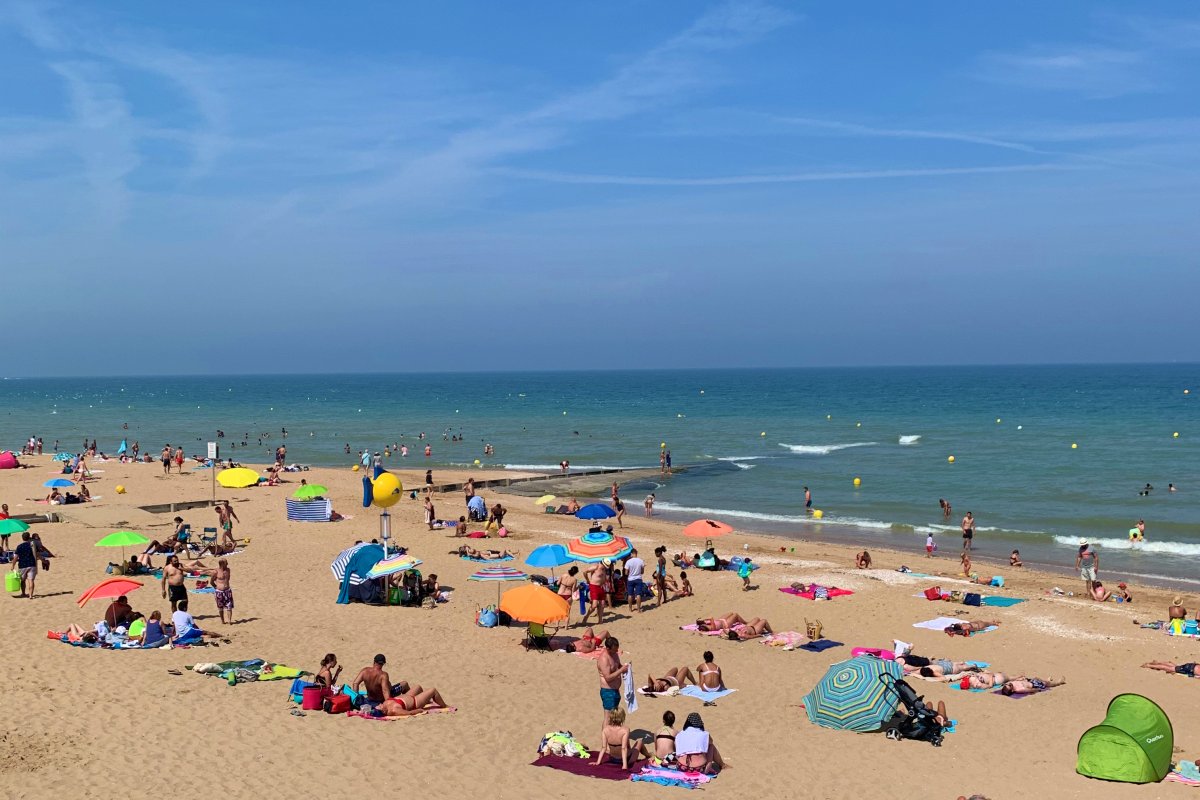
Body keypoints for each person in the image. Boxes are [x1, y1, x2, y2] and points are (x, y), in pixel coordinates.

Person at [597, 636, 629, 722]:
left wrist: (624, 668)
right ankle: (604, 735)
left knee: (613, 718)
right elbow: (608, 677)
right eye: (614, 650)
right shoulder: (604, 659)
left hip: (615, 690)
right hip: (608, 691)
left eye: (617, 649)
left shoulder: (614, 654)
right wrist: (621, 670)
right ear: (607, 648)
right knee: (608, 717)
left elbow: (618, 665)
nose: (616, 651)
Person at [373, 684, 450, 717]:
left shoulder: (384, 704)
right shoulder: (394, 710)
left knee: (418, 687)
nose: (379, 705)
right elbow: (409, 713)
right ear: (383, 711)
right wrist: (419, 710)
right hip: (415, 702)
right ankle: (444, 705)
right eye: (379, 707)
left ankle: (427, 700)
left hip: (408, 696)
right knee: (433, 690)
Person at [582, 561, 609, 626]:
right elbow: (585, 571)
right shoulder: (596, 567)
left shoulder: (604, 569)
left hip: (601, 586)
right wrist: (587, 580)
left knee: (602, 604)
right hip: (594, 586)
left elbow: (603, 577)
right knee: (594, 605)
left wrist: (605, 581)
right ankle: (586, 617)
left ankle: (600, 620)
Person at [11, 531, 37, 598]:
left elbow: (15, 557)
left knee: (23, 580)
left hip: (22, 565)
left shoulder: (19, 547)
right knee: (31, 580)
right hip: (32, 564)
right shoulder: (32, 545)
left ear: (22, 538)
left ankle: (23, 593)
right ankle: (31, 595)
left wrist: (12, 565)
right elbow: (37, 554)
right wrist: (43, 560)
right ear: (29, 537)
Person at [208, 558, 234, 624]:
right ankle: (222, 621)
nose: (227, 564)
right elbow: (211, 582)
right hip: (219, 592)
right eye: (226, 563)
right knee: (220, 607)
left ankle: (229, 620)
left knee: (229, 606)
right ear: (222, 564)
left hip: (227, 591)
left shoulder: (228, 570)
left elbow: (228, 579)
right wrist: (216, 587)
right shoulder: (216, 572)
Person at [1000, 676, 1066, 695]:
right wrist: (1037, 690)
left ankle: (1047, 680)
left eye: (1008, 684)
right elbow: (1029, 690)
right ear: (1012, 690)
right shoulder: (1019, 690)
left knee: (1036, 678)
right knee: (1046, 684)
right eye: (1009, 685)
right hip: (1035, 685)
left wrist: (1021, 678)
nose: (1009, 684)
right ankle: (1059, 682)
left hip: (1030, 681)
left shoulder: (1010, 685)